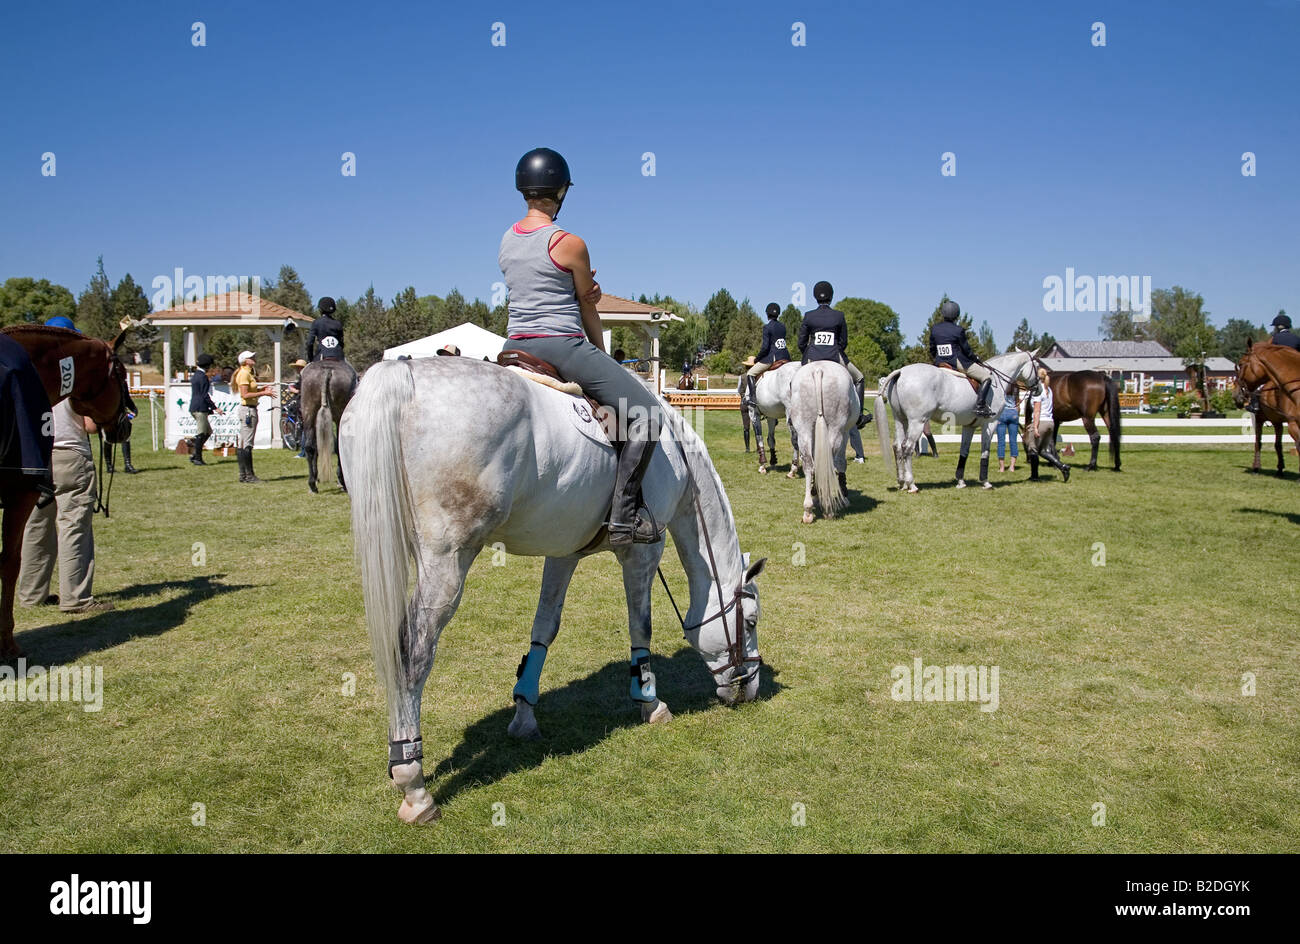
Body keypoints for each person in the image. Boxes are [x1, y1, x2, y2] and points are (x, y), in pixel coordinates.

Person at [498, 146, 662, 546]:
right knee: (648, 414)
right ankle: (624, 519)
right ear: (561, 191)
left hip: (514, 342)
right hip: (560, 344)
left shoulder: (506, 239)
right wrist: (601, 354)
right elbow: (589, 306)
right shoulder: (569, 242)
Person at [18, 319, 112, 614]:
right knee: (73, 524)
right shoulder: (75, 373)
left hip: (36, 457)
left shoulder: (31, 372)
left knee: (36, 525)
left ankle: (31, 593)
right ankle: (76, 597)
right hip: (70, 453)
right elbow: (90, 425)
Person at [797, 281, 871, 429]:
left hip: (812, 355)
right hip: (834, 355)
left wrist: (809, 354)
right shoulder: (838, 316)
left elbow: (801, 342)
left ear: (815, 297)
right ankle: (859, 417)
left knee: (794, 381)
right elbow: (844, 341)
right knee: (859, 378)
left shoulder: (809, 316)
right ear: (831, 296)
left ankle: (794, 415)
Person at [930, 299, 994, 417]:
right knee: (986, 377)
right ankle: (980, 405)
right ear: (957, 315)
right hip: (957, 362)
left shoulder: (935, 329)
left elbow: (932, 349)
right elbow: (967, 350)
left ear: (943, 313)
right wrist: (976, 359)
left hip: (940, 362)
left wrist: (938, 359)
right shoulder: (958, 330)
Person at [231, 350, 275, 483]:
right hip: (248, 410)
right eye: (251, 357)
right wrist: (263, 394)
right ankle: (249, 475)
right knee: (247, 444)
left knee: (244, 442)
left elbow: (248, 392)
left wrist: (261, 390)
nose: (254, 358)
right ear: (245, 360)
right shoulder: (244, 374)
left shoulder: (246, 372)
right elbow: (245, 395)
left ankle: (243, 475)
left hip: (248, 409)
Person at [1025, 367, 1070, 481]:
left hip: (1041, 422)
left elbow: (1037, 410)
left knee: (1033, 449)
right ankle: (1062, 466)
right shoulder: (1048, 390)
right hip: (1050, 423)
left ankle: (1034, 476)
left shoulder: (1037, 390)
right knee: (1043, 451)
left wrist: (1035, 427)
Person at [745, 303, 789, 405]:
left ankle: (752, 399)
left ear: (767, 314)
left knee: (750, 373)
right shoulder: (783, 326)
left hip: (773, 358)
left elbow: (765, 348)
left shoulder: (767, 327)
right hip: (786, 357)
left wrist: (757, 359)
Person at [188, 353, 222, 465]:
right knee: (202, 433)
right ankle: (197, 457)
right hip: (200, 408)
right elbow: (204, 395)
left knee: (208, 432)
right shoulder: (202, 377)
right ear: (207, 366)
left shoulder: (196, 375)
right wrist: (215, 408)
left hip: (195, 406)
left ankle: (195, 453)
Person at [306, 297, 345, 362]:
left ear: (320, 310)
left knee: (305, 371)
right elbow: (341, 344)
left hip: (321, 356)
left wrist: (310, 359)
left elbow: (309, 343)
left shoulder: (316, 322)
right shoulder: (338, 324)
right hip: (338, 356)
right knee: (351, 370)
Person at [996, 385, 1020, 473]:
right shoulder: (1016, 387)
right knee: (1013, 441)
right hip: (1013, 412)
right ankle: (1012, 466)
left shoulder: (1002, 386)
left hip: (1002, 413)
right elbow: (1017, 403)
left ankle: (1002, 467)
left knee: (1001, 442)